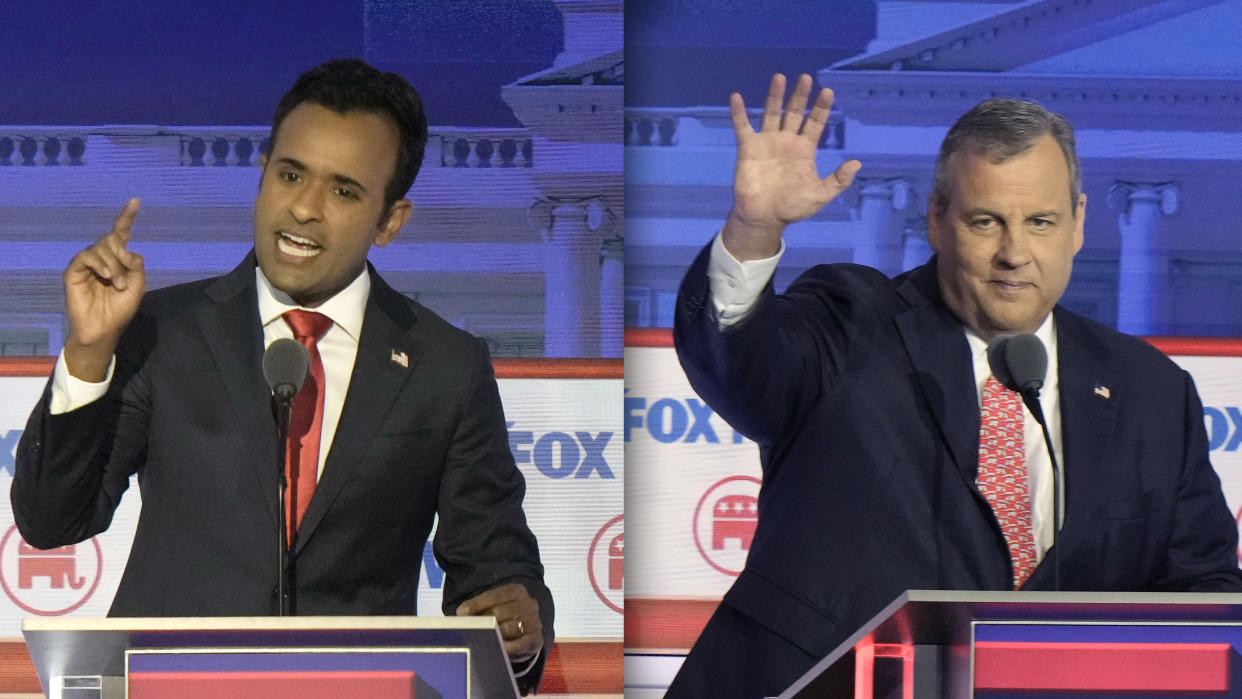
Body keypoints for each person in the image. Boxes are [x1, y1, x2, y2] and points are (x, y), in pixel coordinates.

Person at [670, 73, 1242, 697]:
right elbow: (736, 360)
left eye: (1042, 222)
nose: (1015, 252)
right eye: (987, 221)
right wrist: (753, 231)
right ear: (938, 219)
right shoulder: (852, 323)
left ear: (1078, 223)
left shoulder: (1150, 391)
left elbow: (1203, 593)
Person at [12, 58, 553, 693]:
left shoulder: (446, 366)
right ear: (263, 173)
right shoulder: (163, 331)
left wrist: (517, 626)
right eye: (290, 174)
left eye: (344, 191)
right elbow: (52, 520)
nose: (304, 209)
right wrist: (89, 352)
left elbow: (494, 565)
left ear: (390, 222)